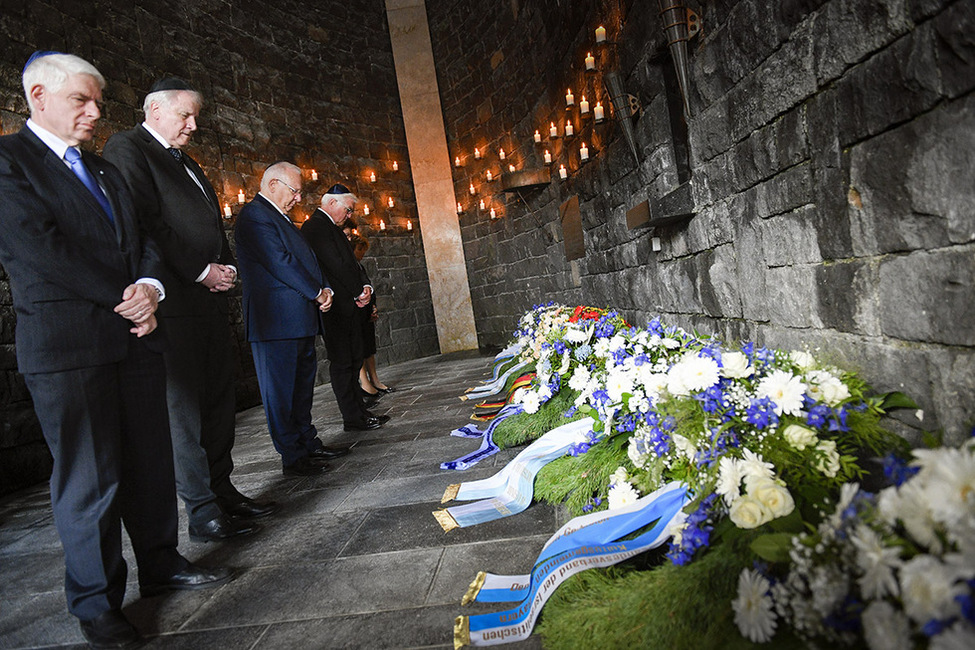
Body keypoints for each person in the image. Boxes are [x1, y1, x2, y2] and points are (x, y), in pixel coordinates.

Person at [0, 52, 232, 649]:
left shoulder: (103, 170)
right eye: (82, 100)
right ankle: (97, 603)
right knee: (90, 480)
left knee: (151, 466)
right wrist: (124, 296)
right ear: (38, 96)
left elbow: (145, 242)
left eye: (97, 100)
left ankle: (161, 563)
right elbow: (38, 249)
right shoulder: (8, 162)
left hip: (135, 338)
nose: (95, 112)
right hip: (69, 348)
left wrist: (151, 288)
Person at [103, 78, 273, 544]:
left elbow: (210, 222)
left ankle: (223, 492)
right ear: (155, 109)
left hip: (208, 302)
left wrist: (226, 268)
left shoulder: (186, 159)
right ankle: (201, 510)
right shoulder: (128, 148)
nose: (194, 125)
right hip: (171, 302)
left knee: (220, 404)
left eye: (195, 117)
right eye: (186, 116)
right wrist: (201, 270)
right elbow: (145, 223)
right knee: (185, 411)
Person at [234, 162, 350, 475]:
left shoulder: (280, 218)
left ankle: (308, 443)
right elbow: (280, 262)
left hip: (297, 319)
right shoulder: (255, 215)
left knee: (300, 391)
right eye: (294, 190)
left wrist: (322, 288)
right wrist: (316, 292)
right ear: (273, 185)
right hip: (275, 324)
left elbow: (305, 260)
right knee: (280, 394)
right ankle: (293, 456)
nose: (298, 198)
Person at [301, 185, 389, 431]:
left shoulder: (334, 228)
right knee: (343, 364)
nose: (349, 215)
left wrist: (364, 285)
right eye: (348, 209)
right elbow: (335, 264)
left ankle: (360, 412)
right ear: (331, 204)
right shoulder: (316, 227)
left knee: (353, 360)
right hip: (336, 309)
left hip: (348, 305)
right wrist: (357, 291)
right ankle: (352, 418)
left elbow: (352, 264)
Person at [349, 233, 395, 399]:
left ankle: (374, 380)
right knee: (360, 348)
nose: (362, 253)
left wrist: (373, 307)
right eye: (360, 249)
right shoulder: (349, 266)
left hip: (366, 311)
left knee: (369, 347)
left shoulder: (359, 266)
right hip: (356, 312)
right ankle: (366, 384)